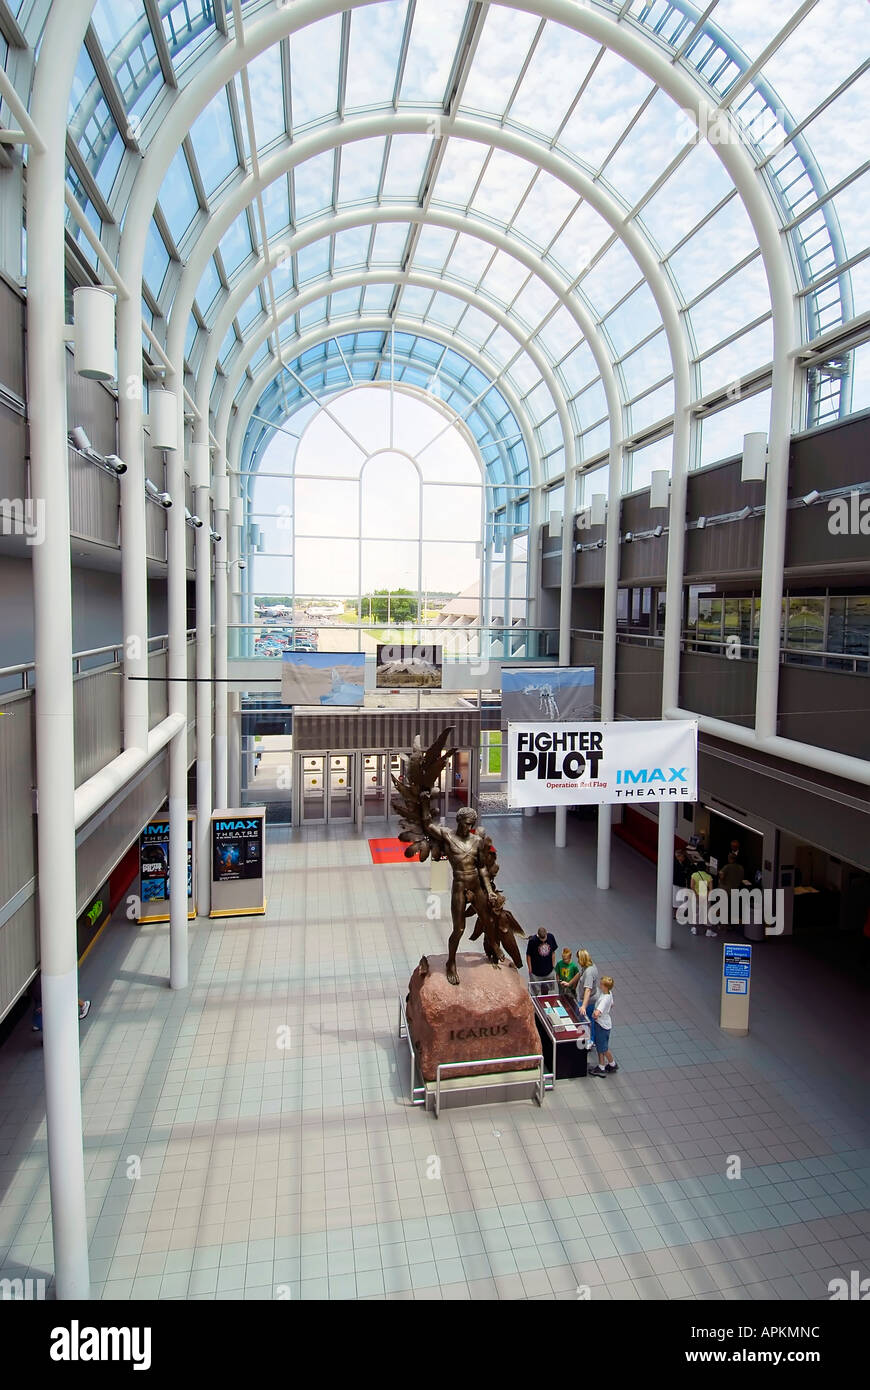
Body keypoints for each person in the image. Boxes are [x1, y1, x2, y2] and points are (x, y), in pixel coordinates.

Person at [588, 977, 618, 1077]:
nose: (600, 985)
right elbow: (612, 1005)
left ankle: (611, 1064)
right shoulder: (609, 994)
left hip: (601, 1025)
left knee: (603, 1048)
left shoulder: (604, 999)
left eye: (601, 984)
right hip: (605, 1022)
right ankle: (602, 1065)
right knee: (601, 1046)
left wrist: (593, 1015)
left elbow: (597, 1013)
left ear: (605, 986)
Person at [575, 949, 601, 1046]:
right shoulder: (588, 966)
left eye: (578, 959)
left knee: (588, 1020)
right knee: (588, 1019)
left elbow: (588, 990)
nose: (577, 961)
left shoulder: (589, 972)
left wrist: (583, 1006)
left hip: (589, 1001)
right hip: (587, 999)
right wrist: (569, 983)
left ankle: (590, 1040)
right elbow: (579, 974)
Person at [526, 926, 558, 994]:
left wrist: (553, 965)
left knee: (547, 991)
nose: (543, 941)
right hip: (536, 973)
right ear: (538, 936)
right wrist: (530, 969)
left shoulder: (551, 937)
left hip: (548, 972)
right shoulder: (532, 941)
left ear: (546, 934)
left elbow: (553, 952)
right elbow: (528, 955)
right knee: (534, 993)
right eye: (541, 939)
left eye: (544, 938)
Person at [689, 859, 716, 937]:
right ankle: (708, 930)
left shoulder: (694, 875)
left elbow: (692, 886)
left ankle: (694, 928)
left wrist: (696, 894)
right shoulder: (709, 877)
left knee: (696, 912)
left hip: (696, 896)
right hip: (705, 896)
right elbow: (711, 889)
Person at [673, 847, 689, 913]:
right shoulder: (675, 864)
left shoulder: (684, 862)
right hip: (677, 883)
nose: (683, 858)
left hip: (681, 883)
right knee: (677, 898)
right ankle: (677, 911)